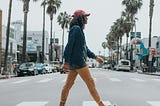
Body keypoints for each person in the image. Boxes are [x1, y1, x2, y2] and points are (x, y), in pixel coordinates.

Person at [59, 10, 106, 106]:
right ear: (80, 18)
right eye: (85, 16)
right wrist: (66, 62)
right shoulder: (76, 29)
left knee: (68, 85)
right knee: (90, 82)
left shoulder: (79, 30)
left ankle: (61, 104)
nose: (87, 18)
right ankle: (101, 105)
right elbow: (69, 45)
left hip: (74, 62)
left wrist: (96, 57)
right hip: (79, 62)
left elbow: (85, 49)